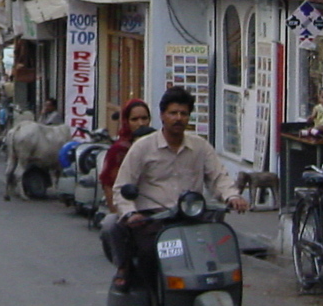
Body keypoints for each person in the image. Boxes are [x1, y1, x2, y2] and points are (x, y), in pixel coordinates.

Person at [105, 87, 249, 292]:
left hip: (191, 219)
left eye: (183, 114)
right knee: (148, 254)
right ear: (163, 116)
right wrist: (130, 213)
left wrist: (232, 196)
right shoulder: (143, 147)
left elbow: (218, 177)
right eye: (173, 113)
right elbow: (121, 188)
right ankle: (153, 299)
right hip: (153, 220)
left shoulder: (200, 146)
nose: (178, 118)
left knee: (216, 258)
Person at [100, 98, 151, 213]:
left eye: (144, 118)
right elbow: (109, 184)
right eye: (135, 119)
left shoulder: (157, 144)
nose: (141, 123)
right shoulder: (119, 150)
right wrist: (117, 213)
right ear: (126, 121)